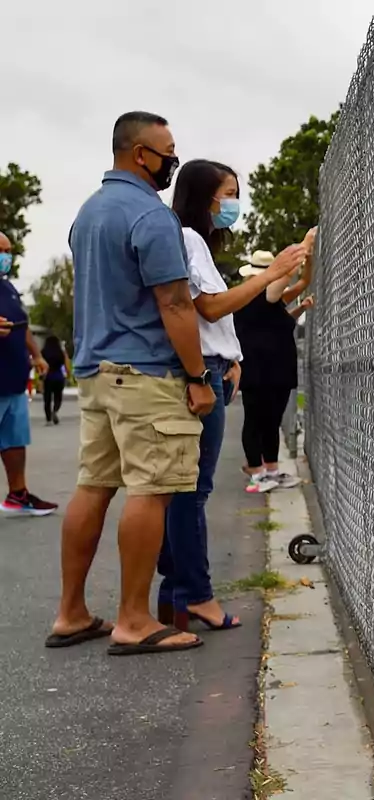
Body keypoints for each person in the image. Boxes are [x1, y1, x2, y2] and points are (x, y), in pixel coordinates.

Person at [47, 111, 217, 657]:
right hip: (145, 373)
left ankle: (71, 612)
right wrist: (197, 377)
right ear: (140, 154)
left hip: (97, 370)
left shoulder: (89, 213)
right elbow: (174, 302)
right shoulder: (150, 215)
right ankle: (134, 619)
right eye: (167, 151)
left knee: (94, 485)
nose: (172, 159)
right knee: (153, 490)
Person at [157, 159, 308, 632]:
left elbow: (212, 316)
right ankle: (192, 593)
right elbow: (208, 305)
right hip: (202, 372)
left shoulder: (195, 241)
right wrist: (272, 272)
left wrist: (232, 355)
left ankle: (175, 594)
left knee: (187, 489)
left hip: (219, 366)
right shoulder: (187, 238)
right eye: (228, 193)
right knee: (191, 490)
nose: (233, 203)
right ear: (205, 196)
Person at [234, 237, 314, 494]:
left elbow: (303, 282)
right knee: (256, 419)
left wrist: (309, 259)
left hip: (277, 368)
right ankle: (256, 472)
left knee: (272, 421)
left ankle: (270, 469)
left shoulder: (272, 301)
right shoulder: (256, 296)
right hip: (258, 368)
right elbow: (283, 280)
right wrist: (303, 245)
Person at [0, 231, 57, 516]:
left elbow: (22, 325)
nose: (6, 257)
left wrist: (36, 355)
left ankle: (17, 495)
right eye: (1, 250)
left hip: (12, 381)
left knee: (14, 441)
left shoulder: (8, 288)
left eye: (8, 251)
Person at [41, 335, 71, 426]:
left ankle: (48, 419)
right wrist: (68, 374)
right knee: (58, 397)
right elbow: (67, 364)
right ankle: (55, 410)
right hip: (58, 377)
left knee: (47, 399)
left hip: (48, 377)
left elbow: (40, 365)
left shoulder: (43, 352)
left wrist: (40, 377)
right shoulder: (61, 352)